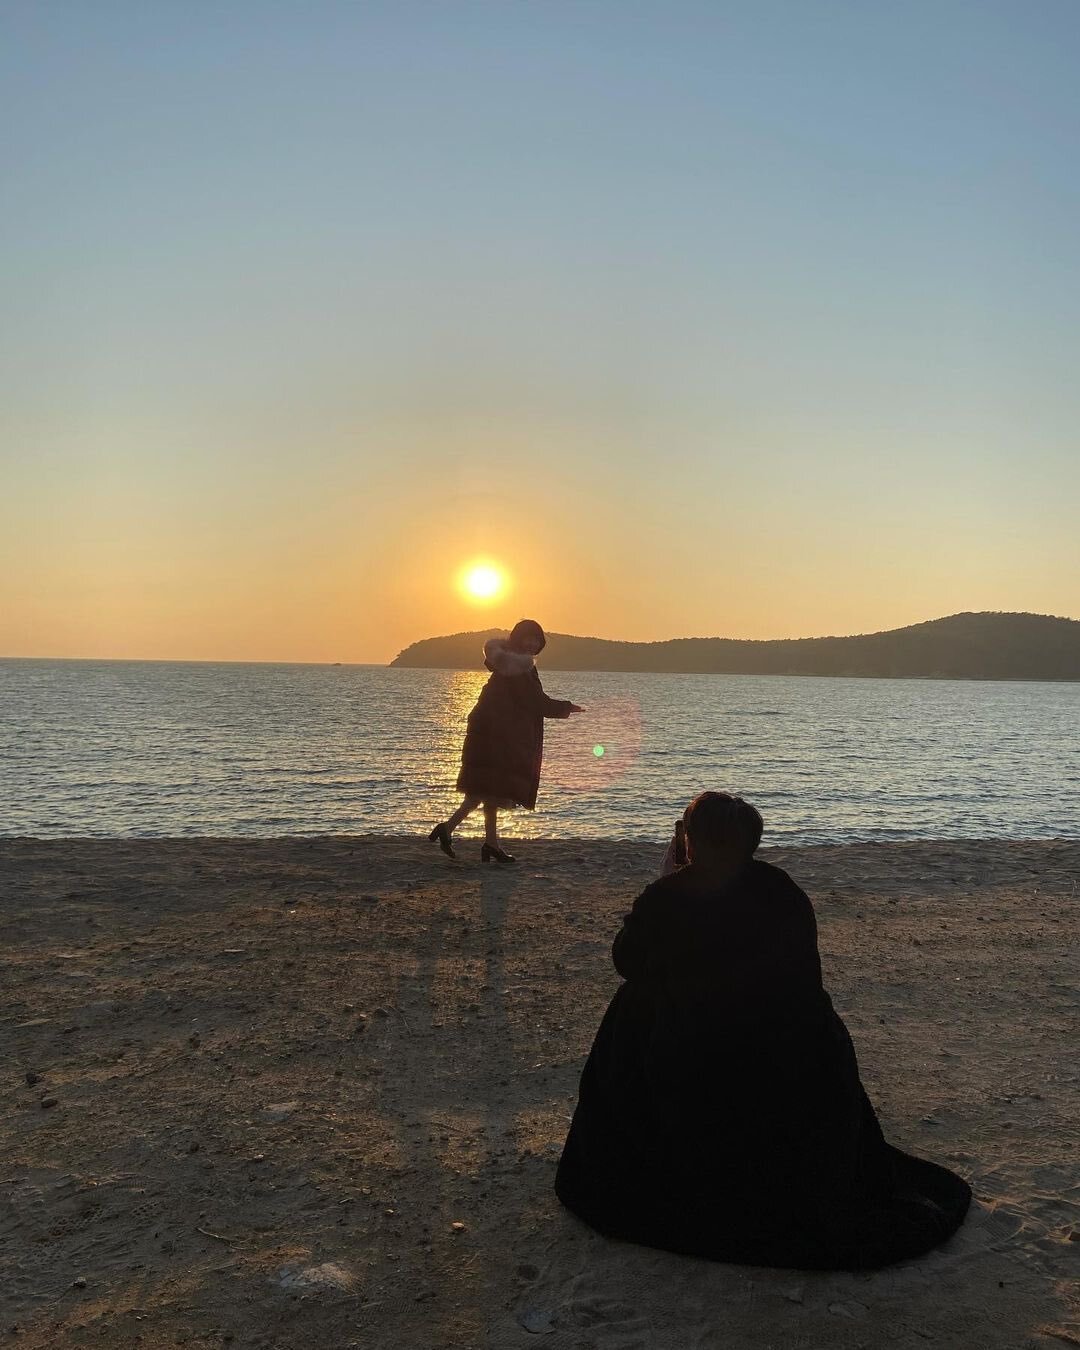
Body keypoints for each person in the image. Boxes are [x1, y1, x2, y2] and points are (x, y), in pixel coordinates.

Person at [555, 791, 972, 1269]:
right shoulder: (781, 888)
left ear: (692, 840)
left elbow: (626, 961)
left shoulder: (669, 895)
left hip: (698, 1057)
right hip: (788, 1051)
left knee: (634, 1003)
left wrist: (665, 886)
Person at [428, 619, 582, 865]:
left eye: (537, 640)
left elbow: (528, 701)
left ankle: (485, 842)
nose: (533, 644)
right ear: (517, 638)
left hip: (491, 735)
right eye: (528, 638)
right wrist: (567, 707)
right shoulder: (517, 668)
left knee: (488, 792)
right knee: (484, 792)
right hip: (496, 738)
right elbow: (536, 702)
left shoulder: (510, 664)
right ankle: (453, 830)